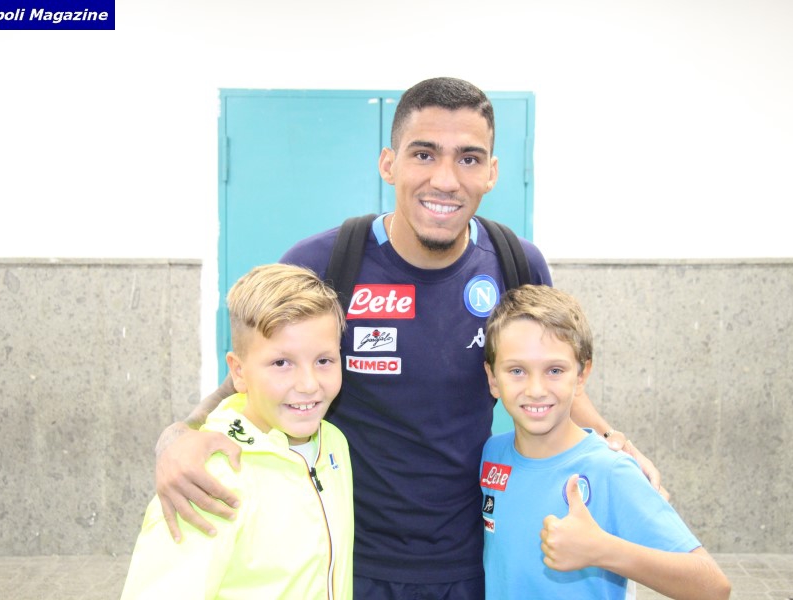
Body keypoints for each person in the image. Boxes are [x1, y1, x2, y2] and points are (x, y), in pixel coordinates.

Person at [154, 77, 664, 599]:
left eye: (468, 158)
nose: (445, 179)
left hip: (472, 559)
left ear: (491, 172)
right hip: (346, 560)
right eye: (424, 154)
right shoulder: (322, 263)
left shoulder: (517, 264)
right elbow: (251, 380)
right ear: (388, 163)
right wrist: (178, 437)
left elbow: (555, 381)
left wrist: (614, 443)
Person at [480, 284, 731, 600]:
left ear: (581, 375)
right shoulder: (492, 455)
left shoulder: (610, 469)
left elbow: (713, 587)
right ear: (493, 379)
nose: (536, 389)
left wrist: (603, 550)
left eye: (554, 370)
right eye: (517, 370)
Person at [121, 264, 353, 599]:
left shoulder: (333, 445)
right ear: (239, 372)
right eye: (281, 363)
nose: (308, 384)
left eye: (324, 361)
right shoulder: (208, 475)